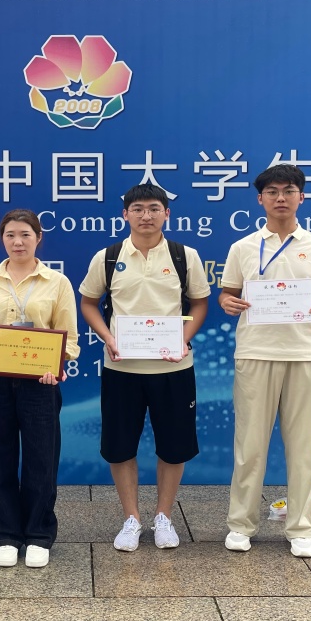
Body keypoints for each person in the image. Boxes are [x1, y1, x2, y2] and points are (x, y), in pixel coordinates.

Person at [218, 164, 311, 558]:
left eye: (288, 190)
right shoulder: (242, 247)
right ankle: (241, 524)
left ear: (301, 197)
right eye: (272, 191)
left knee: (305, 446)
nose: (280, 198)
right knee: (250, 445)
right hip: (255, 353)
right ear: (260, 199)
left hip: (304, 354)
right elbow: (226, 293)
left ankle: (301, 528)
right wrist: (228, 302)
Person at [78, 184, 209, 551]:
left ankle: (164, 516)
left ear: (167, 213)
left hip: (174, 368)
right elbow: (88, 302)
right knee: (120, 447)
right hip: (122, 369)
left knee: (174, 446)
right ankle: (132, 518)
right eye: (137, 209)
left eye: (154, 208)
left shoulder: (185, 256)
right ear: (125, 214)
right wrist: (108, 337)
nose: (146, 215)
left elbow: (200, 303)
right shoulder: (108, 256)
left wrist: (183, 338)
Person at [0, 209, 80, 568]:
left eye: (25, 234)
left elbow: (69, 338)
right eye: (10, 234)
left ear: (38, 238)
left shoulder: (57, 282)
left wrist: (56, 365)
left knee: (42, 457)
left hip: (39, 381)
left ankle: (39, 533)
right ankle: (6, 534)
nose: (18, 241)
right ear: (2, 239)